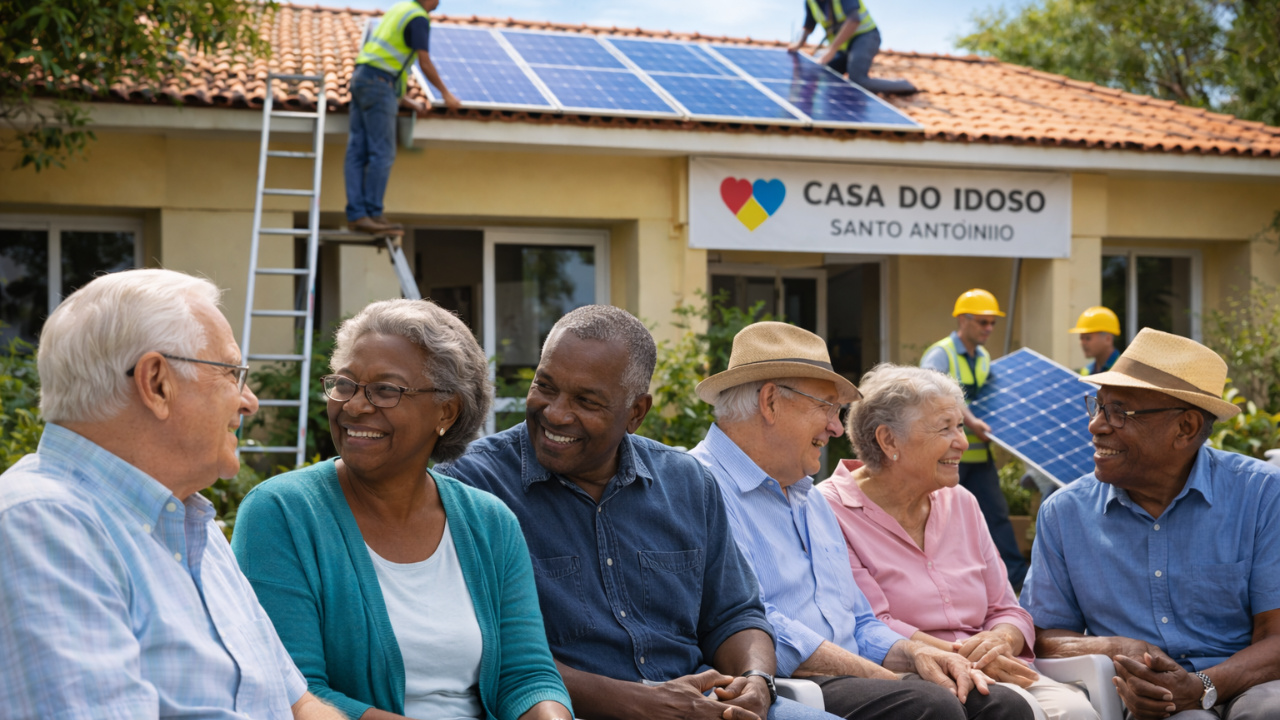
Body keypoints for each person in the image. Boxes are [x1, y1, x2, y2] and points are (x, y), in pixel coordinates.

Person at [437, 305, 832, 720]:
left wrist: (756, 682)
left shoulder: (688, 483)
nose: (555, 412)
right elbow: (493, 651)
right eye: (545, 386)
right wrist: (644, 704)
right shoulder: (473, 485)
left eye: (586, 401)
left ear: (636, 413)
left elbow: (734, 614)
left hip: (706, 704)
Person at [0, 269, 340, 719]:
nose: (250, 401)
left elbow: (298, 704)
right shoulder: (39, 524)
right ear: (157, 382)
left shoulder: (188, 521)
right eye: (232, 373)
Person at [231, 299, 572, 720]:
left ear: (446, 411)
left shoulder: (490, 523)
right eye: (345, 384)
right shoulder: (282, 513)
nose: (354, 405)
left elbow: (526, 676)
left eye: (385, 390)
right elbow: (293, 692)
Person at [689, 322, 1032, 720]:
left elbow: (861, 621)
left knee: (1002, 706)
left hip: (850, 674)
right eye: (826, 407)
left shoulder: (806, 496)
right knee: (933, 706)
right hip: (787, 683)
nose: (837, 427)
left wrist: (919, 655)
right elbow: (751, 622)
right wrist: (885, 676)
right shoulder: (700, 484)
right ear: (770, 402)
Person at [1021, 328, 1280, 719]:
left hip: (1251, 682)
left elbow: (1275, 636)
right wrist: (1117, 649)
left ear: (1186, 428)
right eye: (1098, 406)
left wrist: (1201, 686)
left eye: (1119, 412)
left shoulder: (1262, 494)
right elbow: (1042, 636)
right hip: (1147, 699)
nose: (1096, 425)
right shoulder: (1065, 512)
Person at [819, 363, 1098, 720]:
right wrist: (965, 656)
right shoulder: (830, 509)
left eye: (961, 426)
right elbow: (869, 622)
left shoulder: (962, 502)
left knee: (1076, 712)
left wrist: (1000, 640)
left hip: (995, 667)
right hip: (910, 676)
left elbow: (1007, 609)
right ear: (888, 440)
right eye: (945, 428)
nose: (963, 442)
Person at [921, 288, 1028, 591]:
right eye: (983, 322)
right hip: (946, 456)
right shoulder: (940, 354)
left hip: (979, 456)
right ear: (963, 320)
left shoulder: (983, 358)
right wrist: (970, 421)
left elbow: (992, 402)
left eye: (992, 323)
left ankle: (1017, 581)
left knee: (996, 516)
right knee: (942, 519)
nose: (989, 329)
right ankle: (946, 580)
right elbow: (935, 398)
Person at [345, 0, 461, 236]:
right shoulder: (418, 17)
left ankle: (357, 215)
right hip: (379, 85)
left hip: (361, 79)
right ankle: (373, 214)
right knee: (382, 152)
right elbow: (424, 62)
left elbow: (383, 64)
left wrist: (404, 99)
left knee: (357, 151)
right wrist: (446, 93)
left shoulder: (399, 10)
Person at [787, 0, 917, 95]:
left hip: (866, 37)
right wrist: (799, 44)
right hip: (843, 47)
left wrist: (831, 50)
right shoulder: (811, 2)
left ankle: (904, 85)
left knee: (857, 80)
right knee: (822, 72)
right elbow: (809, 26)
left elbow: (854, 20)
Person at [1069, 307, 1121, 377]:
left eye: (1088, 338)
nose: (1083, 343)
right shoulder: (1087, 371)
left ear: (1108, 339)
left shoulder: (1123, 370)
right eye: (1081, 338)